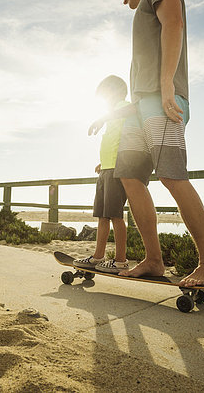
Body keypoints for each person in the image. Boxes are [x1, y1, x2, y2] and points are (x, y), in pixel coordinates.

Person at [89, 0, 204, 286]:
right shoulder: (142, 9)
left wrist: (166, 86)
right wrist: (108, 115)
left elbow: (174, 23)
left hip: (164, 101)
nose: (123, 0)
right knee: (129, 176)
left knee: (171, 176)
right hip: (140, 107)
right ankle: (153, 259)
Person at [73, 76, 129, 274]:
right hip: (106, 168)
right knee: (102, 217)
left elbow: (126, 130)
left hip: (116, 170)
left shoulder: (123, 106)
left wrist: (103, 117)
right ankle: (98, 256)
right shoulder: (113, 114)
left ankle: (120, 260)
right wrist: (102, 163)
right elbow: (112, 140)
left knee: (115, 216)